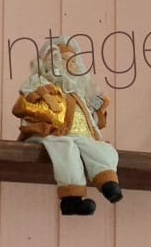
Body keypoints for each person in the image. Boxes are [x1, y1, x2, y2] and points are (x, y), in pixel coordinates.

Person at [12, 38, 122, 215]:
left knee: (101, 149)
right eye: (64, 60)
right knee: (66, 151)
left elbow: (95, 121)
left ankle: (108, 183)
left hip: (84, 135)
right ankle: (71, 198)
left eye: (73, 61)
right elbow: (28, 96)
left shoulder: (80, 95)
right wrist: (45, 94)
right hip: (56, 133)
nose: (70, 65)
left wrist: (99, 109)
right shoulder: (44, 85)